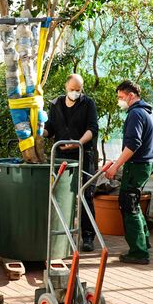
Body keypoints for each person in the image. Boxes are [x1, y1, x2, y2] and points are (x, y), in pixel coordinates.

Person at [105, 80, 153, 265]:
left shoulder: (136, 113)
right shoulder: (149, 111)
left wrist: (115, 166)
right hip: (145, 164)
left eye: (121, 97)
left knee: (128, 204)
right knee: (134, 202)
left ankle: (138, 252)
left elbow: (132, 145)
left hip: (136, 165)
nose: (120, 101)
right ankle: (144, 242)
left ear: (131, 95)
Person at [43, 74, 99, 252]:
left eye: (78, 90)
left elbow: (93, 128)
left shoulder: (87, 103)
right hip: (61, 155)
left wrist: (78, 143)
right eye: (72, 89)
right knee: (60, 194)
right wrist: (39, 131)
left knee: (85, 195)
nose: (75, 92)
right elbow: (50, 128)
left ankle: (88, 236)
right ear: (66, 87)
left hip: (83, 154)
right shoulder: (56, 104)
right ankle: (60, 233)